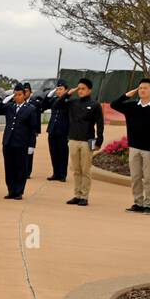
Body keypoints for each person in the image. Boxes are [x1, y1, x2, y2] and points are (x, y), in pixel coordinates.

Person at [110, 78, 150, 215]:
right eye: (140, 88)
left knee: (148, 178)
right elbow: (114, 105)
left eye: (145, 88)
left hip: (149, 149)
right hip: (134, 147)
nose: (142, 90)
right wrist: (127, 95)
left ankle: (148, 204)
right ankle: (138, 203)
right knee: (135, 177)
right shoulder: (131, 106)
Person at [0, 82, 40, 199]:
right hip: (8, 142)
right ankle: (11, 190)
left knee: (21, 168)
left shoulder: (30, 109)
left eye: (19, 95)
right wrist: (5, 99)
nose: (17, 97)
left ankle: (19, 191)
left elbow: (32, 128)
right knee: (9, 167)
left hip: (22, 143)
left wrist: (31, 145)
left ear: (24, 95)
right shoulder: (10, 107)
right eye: (15, 95)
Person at [64, 77, 105, 206]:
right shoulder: (73, 103)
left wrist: (99, 140)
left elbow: (100, 124)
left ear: (89, 90)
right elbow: (57, 104)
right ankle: (77, 195)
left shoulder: (95, 105)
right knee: (76, 170)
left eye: (83, 89)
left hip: (88, 141)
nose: (80, 91)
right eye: (79, 88)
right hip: (73, 140)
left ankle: (84, 197)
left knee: (85, 170)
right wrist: (69, 93)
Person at [44, 80, 71, 181]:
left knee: (63, 153)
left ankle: (62, 174)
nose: (59, 91)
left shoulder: (68, 101)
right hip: (52, 129)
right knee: (53, 152)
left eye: (61, 89)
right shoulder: (54, 99)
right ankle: (55, 173)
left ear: (66, 90)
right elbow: (44, 103)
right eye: (58, 89)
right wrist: (50, 93)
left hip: (63, 131)